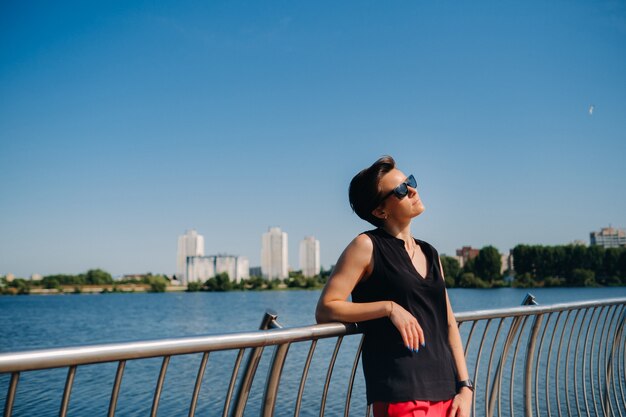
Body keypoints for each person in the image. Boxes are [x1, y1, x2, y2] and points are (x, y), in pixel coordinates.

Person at [315, 156, 473, 417]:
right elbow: (326, 309)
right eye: (401, 190)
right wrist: (389, 308)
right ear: (380, 211)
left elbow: (447, 323)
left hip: (448, 393)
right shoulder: (366, 246)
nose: (412, 190)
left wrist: (465, 387)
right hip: (402, 393)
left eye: (410, 181)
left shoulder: (430, 253)